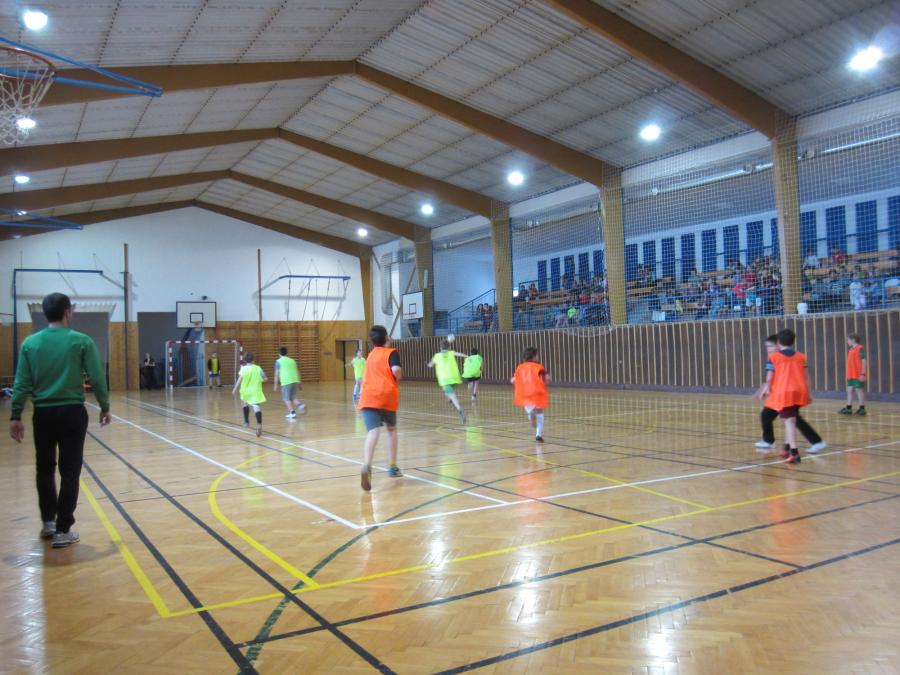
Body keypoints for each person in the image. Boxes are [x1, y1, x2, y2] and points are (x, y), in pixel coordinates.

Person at [9, 292, 111, 548]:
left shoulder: (30, 344)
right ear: (68, 312)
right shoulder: (82, 341)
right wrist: (104, 406)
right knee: (70, 471)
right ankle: (63, 529)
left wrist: (16, 415)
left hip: (43, 414)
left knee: (44, 468)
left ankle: (48, 523)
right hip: (72, 413)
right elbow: (97, 377)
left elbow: (21, 383)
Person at [753, 335, 826, 453]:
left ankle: (814, 442)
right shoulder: (776, 358)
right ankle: (771, 442)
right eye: (767, 346)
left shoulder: (781, 358)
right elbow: (771, 378)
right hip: (777, 395)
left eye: (770, 346)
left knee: (793, 420)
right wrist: (763, 390)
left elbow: (773, 378)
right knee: (767, 416)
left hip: (784, 395)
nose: (768, 349)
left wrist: (765, 390)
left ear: (778, 345)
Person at [357, 325, 402, 491]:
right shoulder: (392, 353)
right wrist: (397, 375)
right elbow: (396, 370)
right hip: (386, 396)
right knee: (391, 430)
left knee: (373, 432)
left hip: (368, 396)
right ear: (387, 338)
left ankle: (367, 465)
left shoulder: (369, 356)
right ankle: (393, 467)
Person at [759, 329, 813, 464]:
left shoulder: (774, 357)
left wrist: (766, 389)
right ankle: (786, 449)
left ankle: (795, 453)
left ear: (778, 342)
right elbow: (807, 377)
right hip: (799, 392)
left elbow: (769, 378)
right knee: (791, 421)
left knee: (789, 422)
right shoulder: (801, 356)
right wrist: (809, 393)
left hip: (785, 393)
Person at [512, 346, 550, 443]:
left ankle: (531, 415)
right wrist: (546, 381)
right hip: (536, 394)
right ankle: (538, 435)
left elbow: (514, 379)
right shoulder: (539, 367)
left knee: (532, 416)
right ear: (534, 357)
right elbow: (547, 378)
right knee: (540, 412)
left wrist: (514, 381)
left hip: (525, 394)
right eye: (537, 355)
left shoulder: (520, 367)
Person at [427, 340, 468, 423]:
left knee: (452, 395)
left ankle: (460, 409)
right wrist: (467, 356)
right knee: (446, 390)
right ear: (449, 347)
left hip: (445, 379)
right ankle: (451, 402)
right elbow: (459, 354)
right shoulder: (451, 353)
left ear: (440, 347)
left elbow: (430, 365)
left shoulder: (437, 356)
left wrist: (429, 363)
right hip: (454, 378)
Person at [232, 351, 266, 436]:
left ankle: (246, 421)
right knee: (256, 407)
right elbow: (265, 379)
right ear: (253, 359)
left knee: (244, 403)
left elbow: (240, 379)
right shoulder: (258, 368)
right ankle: (259, 425)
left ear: (244, 360)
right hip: (256, 391)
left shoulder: (243, 369)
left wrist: (235, 388)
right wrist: (260, 379)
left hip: (246, 391)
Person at [839, 333, 867, 416]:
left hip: (858, 374)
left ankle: (862, 409)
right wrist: (848, 375)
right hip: (851, 375)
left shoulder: (860, 348)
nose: (847, 341)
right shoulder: (851, 350)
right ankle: (848, 408)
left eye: (848, 340)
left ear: (853, 340)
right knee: (850, 390)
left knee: (859, 390)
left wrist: (863, 373)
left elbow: (864, 361)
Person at [273, 347, 305, 419]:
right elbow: (297, 372)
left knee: (286, 399)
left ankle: (292, 413)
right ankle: (300, 405)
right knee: (292, 397)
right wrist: (299, 383)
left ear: (279, 353)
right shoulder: (292, 361)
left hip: (286, 382)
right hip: (295, 381)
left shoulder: (278, 362)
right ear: (287, 353)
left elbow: (276, 374)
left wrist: (275, 385)